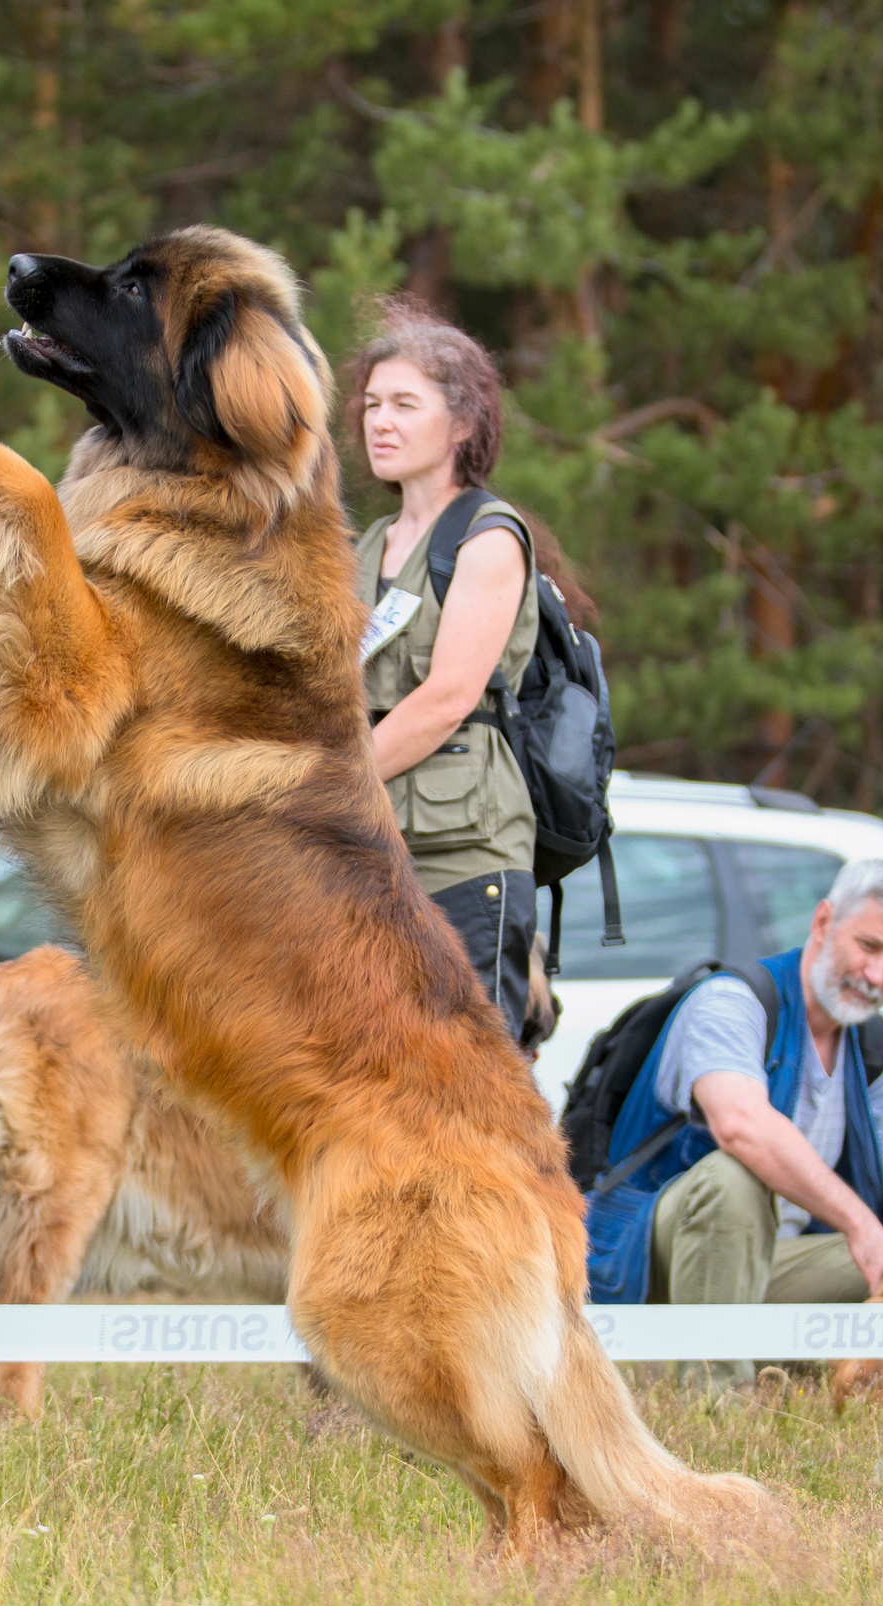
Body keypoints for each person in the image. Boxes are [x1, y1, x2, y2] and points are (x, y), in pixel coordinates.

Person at [589, 860, 883, 1392]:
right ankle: (714, 1398)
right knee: (735, 1180)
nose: (878, 976)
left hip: (773, 1263)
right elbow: (741, 1125)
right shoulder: (732, 1002)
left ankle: (835, 1377)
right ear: (823, 922)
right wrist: (862, 1226)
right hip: (657, 1261)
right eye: (869, 947)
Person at [344, 298, 590, 1046]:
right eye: (372, 403)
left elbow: (448, 697)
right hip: (372, 855)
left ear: (461, 424)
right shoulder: (368, 545)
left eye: (404, 405)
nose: (378, 421)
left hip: (464, 858)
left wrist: (324, 785)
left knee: (471, 1097)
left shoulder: (487, 539)